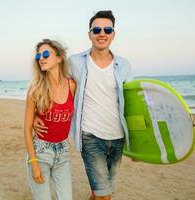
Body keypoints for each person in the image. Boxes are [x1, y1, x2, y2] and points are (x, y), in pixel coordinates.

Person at [33, 11, 133, 200]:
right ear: (89, 34)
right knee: (105, 195)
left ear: (113, 34)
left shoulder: (124, 65)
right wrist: (37, 113)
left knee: (99, 192)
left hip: (117, 137)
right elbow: (50, 80)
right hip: (90, 136)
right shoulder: (75, 62)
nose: (101, 33)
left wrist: (135, 143)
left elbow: (132, 104)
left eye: (107, 29)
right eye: (96, 29)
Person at [24, 39, 76, 200]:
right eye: (38, 55)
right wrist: (33, 163)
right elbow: (26, 129)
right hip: (40, 153)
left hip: (63, 152)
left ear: (59, 57)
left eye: (46, 54)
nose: (41, 58)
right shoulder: (36, 89)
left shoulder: (72, 85)